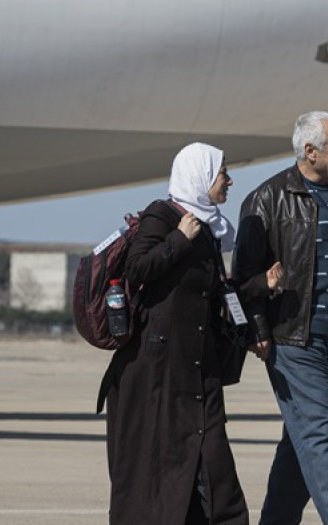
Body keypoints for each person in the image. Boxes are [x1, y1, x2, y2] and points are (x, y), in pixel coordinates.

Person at [100, 142, 279, 525]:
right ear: (200, 176)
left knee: (215, 470)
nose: (229, 181)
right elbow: (137, 269)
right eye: (222, 173)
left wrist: (260, 285)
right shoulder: (164, 217)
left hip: (198, 370)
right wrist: (179, 238)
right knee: (155, 475)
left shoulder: (209, 231)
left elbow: (217, 295)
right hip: (156, 375)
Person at [234, 111, 328, 525]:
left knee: (302, 439)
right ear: (310, 151)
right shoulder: (267, 199)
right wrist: (258, 331)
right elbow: (244, 278)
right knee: (321, 440)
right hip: (294, 341)